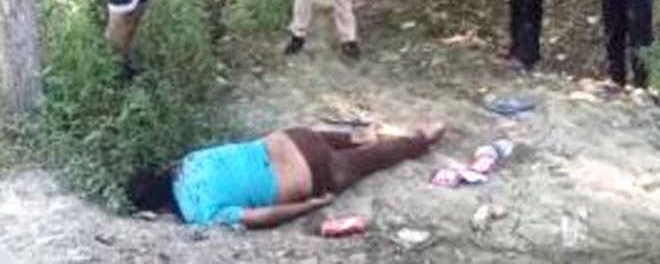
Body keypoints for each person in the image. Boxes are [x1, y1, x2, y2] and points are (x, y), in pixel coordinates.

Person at [127, 121, 446, 229]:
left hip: (308, 175)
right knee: (320, 136)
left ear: (160, 208)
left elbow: (261, 216)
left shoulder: (199, 214)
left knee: (370, 161)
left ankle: (421, 138)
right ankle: (361, 135)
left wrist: (310, 205)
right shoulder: (187, 162)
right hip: (292, 139)